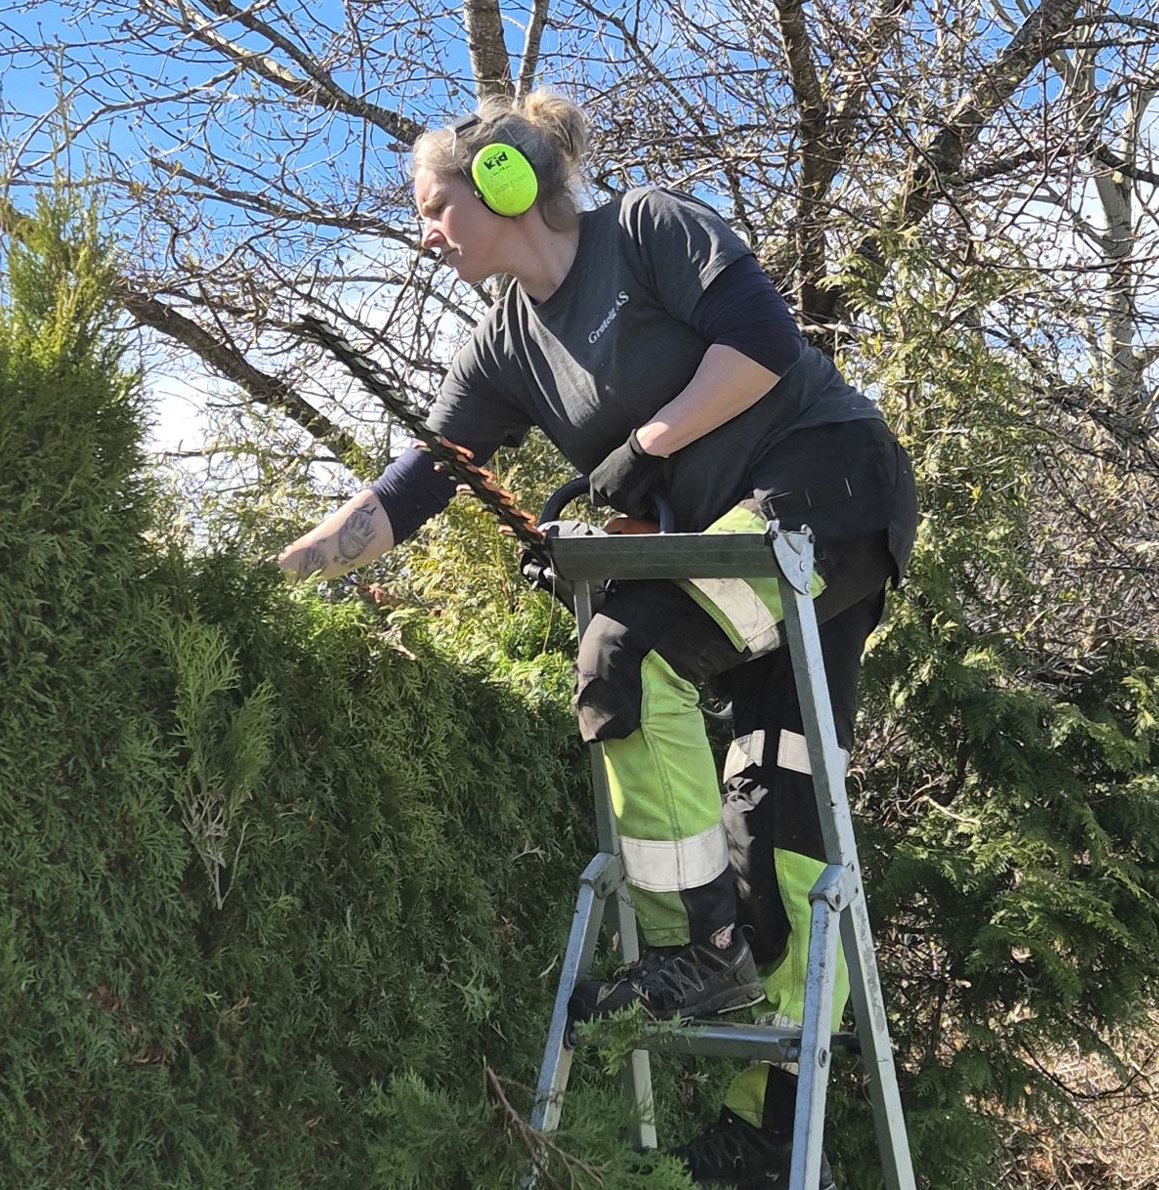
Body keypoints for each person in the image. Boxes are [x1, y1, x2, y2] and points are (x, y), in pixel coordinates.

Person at [277, 90, 916, 1188]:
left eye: (434, 209)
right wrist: (275, 575)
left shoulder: (650, 229)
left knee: (626, 656)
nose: (426, 235)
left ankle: (701, 952)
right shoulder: (503, 347)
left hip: (829, 485)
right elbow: (416, 483)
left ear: (502, 186)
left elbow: (762, 348)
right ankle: (766, 1129)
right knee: (780, 816)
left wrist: (644, 449)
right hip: (738, 545)